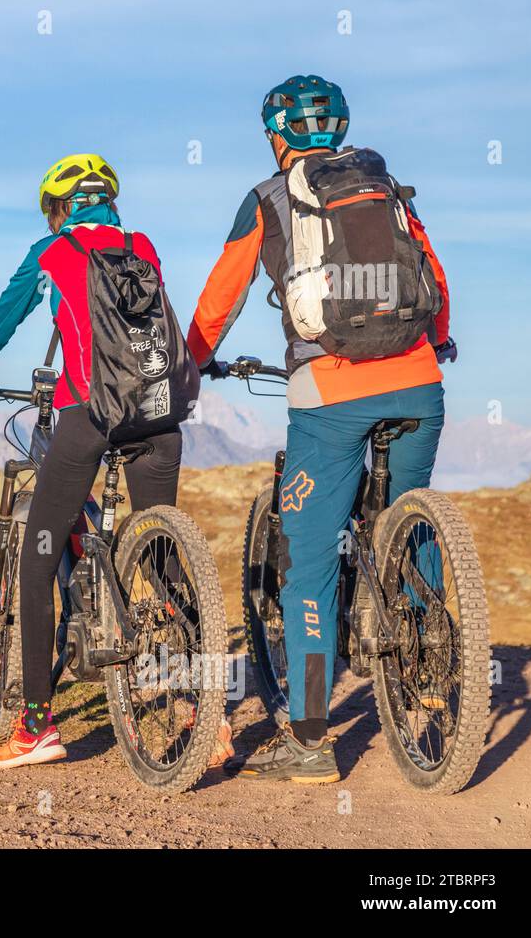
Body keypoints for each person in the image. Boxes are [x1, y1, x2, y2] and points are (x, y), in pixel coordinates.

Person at [187, 75, 456, 783]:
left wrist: (190, 365)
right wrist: (442, 340)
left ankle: (309, 742)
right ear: (337, 128)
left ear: (277, 134)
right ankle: (431, 669)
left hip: (329, 394)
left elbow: (221, 299)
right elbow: (431, 274)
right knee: (410, 521)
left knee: (308, 569)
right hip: (419, 384)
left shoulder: (269, 199)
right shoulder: (379, 183)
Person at [0, 154, 187, 769]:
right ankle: (207, 711)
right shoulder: (142, 246)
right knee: (166, 559)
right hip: (159, 413)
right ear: (109, 202)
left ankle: (37, 726)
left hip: (88, 415)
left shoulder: (51, 251)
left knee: (39, 555)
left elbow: (4, 316)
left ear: (59, 207)